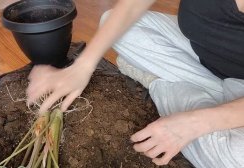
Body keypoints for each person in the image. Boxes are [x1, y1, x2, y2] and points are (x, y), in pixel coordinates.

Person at [26, 0, 244, 167]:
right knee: (117, 24)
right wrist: (83, 66)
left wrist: (196, 122)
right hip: (206, 58)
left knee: (235, 156)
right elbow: (133, 5)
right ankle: (201, 95)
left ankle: (161, 84)